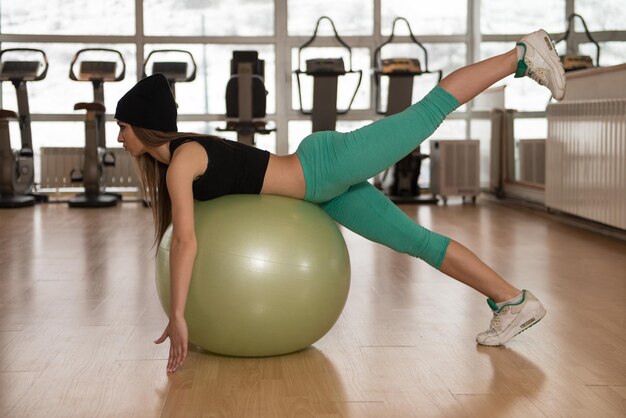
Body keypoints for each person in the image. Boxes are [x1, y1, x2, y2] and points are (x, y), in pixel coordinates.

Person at [115, 29, 565, 373]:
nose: (120, 137)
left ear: (145, 127)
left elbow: (188, 242)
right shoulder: (181, 159)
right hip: (321, 197)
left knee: (427, 112)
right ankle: (511, 301)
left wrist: (178, 314)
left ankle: (521, 56)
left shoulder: (181, 163)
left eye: (125, 127)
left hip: (324, 168)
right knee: (418, 242)